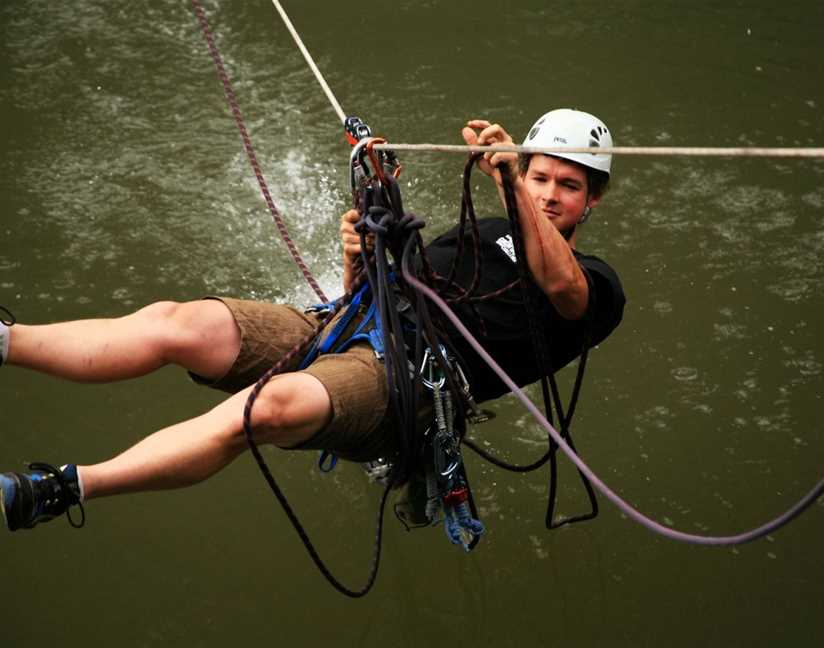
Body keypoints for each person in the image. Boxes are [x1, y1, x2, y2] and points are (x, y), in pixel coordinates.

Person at [0, 109, 625, 532]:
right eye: (540, 176)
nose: (547, 194)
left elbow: (560, 287)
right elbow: (380, 283)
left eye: (566, 186)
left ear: (591, 202)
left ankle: (60, 489)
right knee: (179, 323)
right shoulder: (483, 230)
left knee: (266, 408)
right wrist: (359, 254)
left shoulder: (596, 284)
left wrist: (512, 180)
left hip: (409, 382)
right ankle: (7, 340)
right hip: (348, 323)